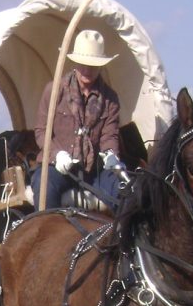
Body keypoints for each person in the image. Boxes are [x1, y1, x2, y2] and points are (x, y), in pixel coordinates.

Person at [31, 29, 128, 212]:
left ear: (100, 66)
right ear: (75, 63)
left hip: (94, 171)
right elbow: (41, 131)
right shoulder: (54, 91)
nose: (87, 70)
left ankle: (122, 238)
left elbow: (109, 135)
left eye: (93, 65)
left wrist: (111, 156)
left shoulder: (110, 99)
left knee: (125, 191)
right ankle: (48, 236)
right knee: (43, 185)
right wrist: (56, 154)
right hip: (58, 168)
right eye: (83, 64)